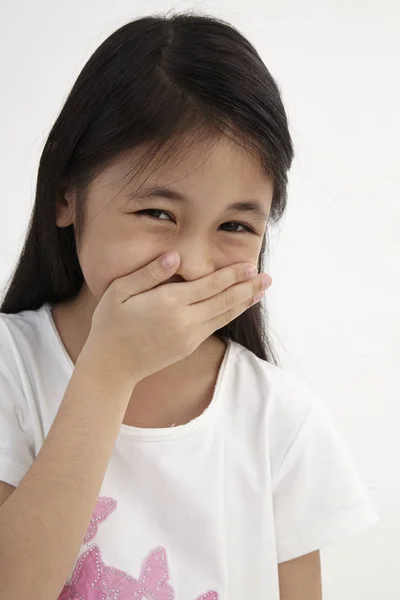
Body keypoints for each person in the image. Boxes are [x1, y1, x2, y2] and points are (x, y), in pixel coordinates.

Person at [0, 11, 378, 600]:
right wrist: (108, 372)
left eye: (234, 224)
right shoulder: (10, 369)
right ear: (66, 196)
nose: (193, 263)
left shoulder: (280, 420)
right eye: (158, 213)